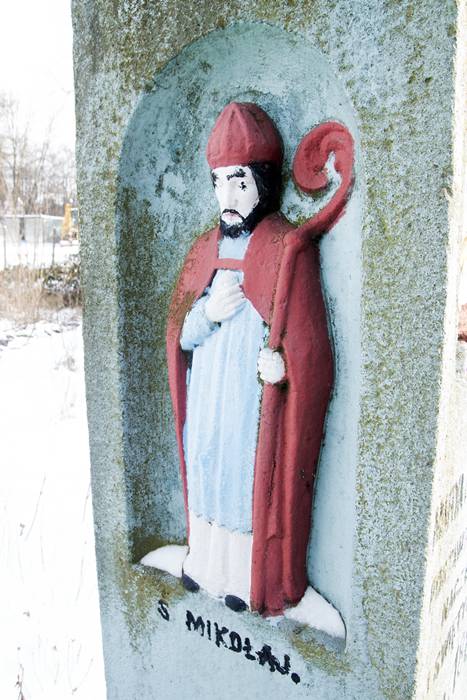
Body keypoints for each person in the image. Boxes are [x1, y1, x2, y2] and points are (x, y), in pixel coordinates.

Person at [164, 102, 337, 617]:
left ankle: (243, 574)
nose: (228, 197)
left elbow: (310, 347)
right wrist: (207, 314)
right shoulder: (203, 251)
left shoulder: (288, 251)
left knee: (241, 482)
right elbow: (179, 336)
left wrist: (286, 369)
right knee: (207, 467)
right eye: (220, 182)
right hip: (207, 396)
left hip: (247, 400)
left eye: (240, 182)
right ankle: (204, 562)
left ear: (263, 181)